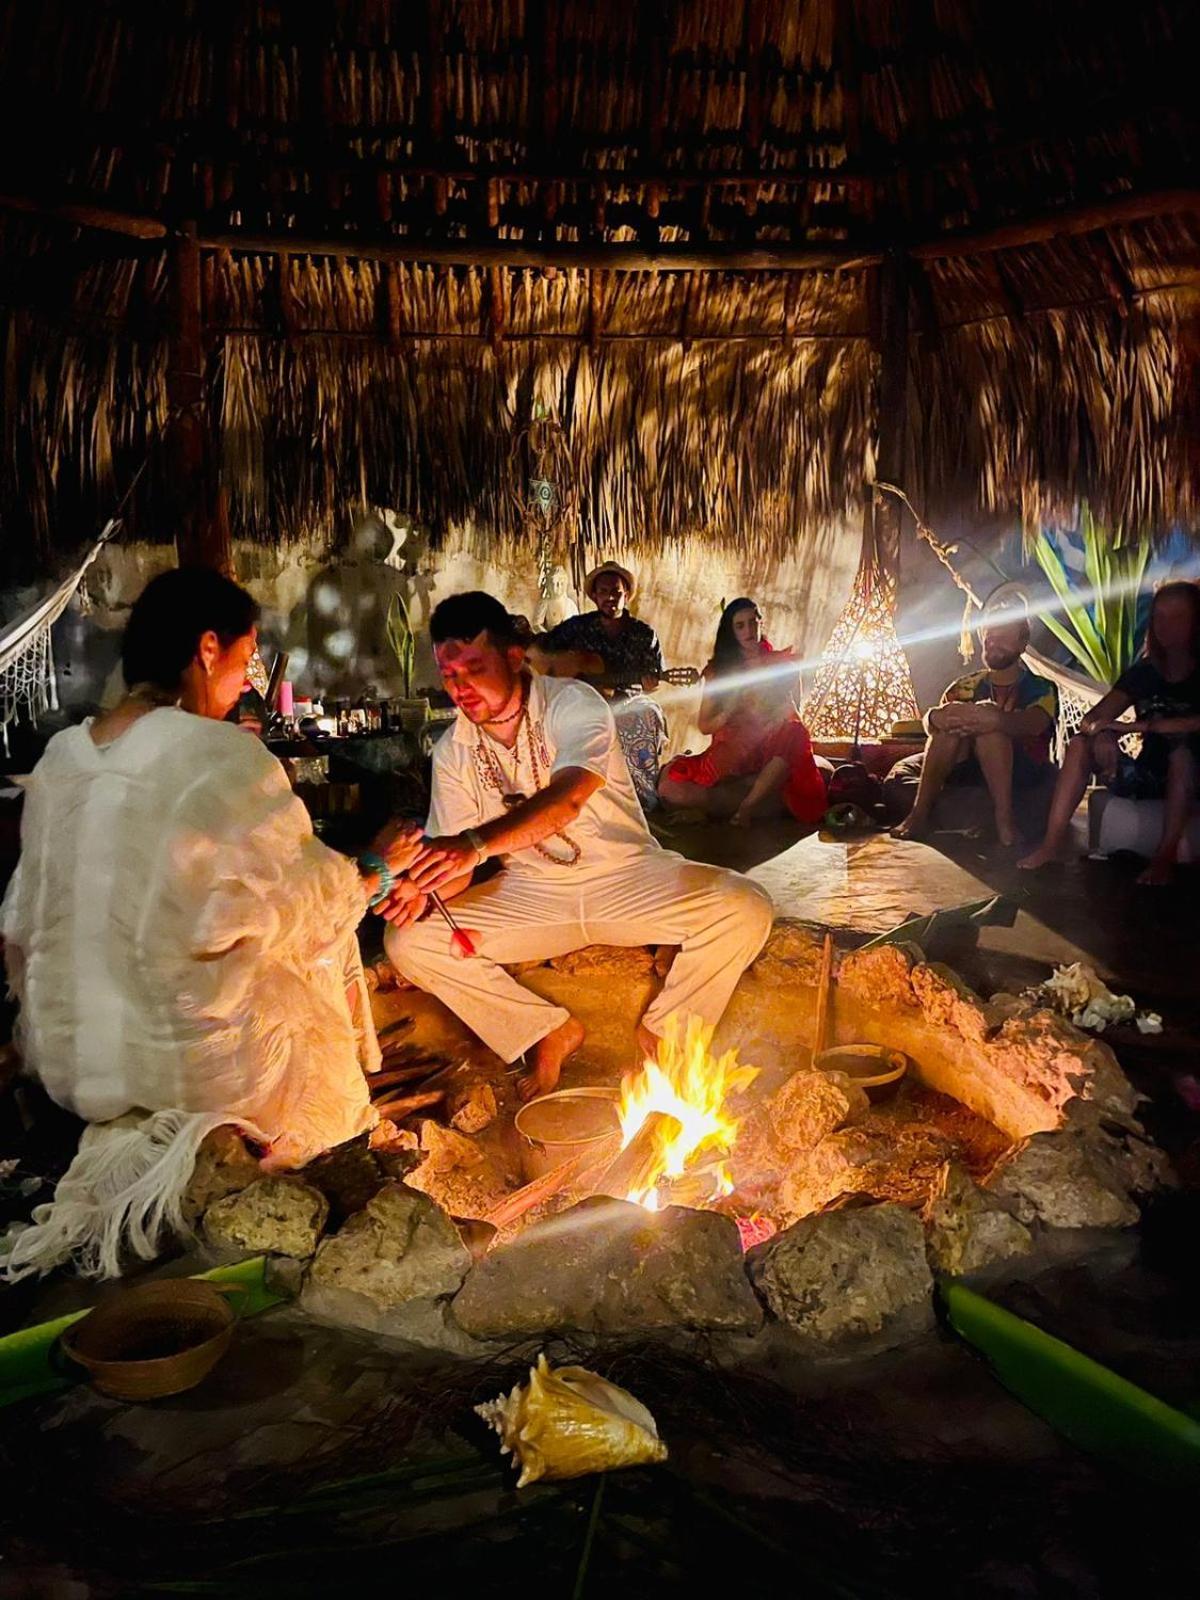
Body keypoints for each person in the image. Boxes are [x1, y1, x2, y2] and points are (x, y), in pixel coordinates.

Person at [0, 568, 421, 1280]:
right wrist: (375, 869)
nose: (243, 679)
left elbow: (20, 923)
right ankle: (318, 1145)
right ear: (207, 648)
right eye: (244, 656)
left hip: (70, 1062)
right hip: (196, 1073)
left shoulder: (63, 759)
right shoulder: (221, 755)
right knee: (327, 943)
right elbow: (308, 902)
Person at [380, 592, 774, 1100]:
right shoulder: (453, 749)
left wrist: (475, 845)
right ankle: (543, 1031)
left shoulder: (572, 703)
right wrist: (422, 889)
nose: (460, 688)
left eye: (474, 668)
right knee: (409, 941)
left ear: (513, 658)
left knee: (745, 908)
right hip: (533, 893)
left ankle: (666, 1030)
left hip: (626, 878)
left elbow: (568, 799)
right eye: (449, 675)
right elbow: (458, 868)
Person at [1019, 580, 1200, 885]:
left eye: (1178, 617)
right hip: (1151, 773)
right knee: (1079, 744)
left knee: (1182, 755)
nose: (1166, 626)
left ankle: (1164, 858)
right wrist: (1102, 734)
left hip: (1193, 773)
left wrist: (1141, 726)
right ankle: (1051, 844)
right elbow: (1092, 718)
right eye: (1159, 617)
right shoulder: (1146, 671)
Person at [531, 561, 695, 811]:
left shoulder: (644, 634)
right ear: (594, 596)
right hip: (581, 703)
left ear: (626, 595)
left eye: (617, 592)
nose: (611, 597)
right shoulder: (578, 627)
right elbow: (541, 649)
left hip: (628, 703)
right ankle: (572, 797)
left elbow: (654, 684)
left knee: (646, 714)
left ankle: (642, 804)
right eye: (604, 592)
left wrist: (652, 684)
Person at [891, 610, 1058, 848]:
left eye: (1003, 635)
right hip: (967, 768)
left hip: (1021, 769)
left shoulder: (1040, 687)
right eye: (989, 635)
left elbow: (1034, 723)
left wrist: (993, 719)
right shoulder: (965, 685)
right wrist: (935, 717)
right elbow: (931, 727)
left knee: (991, 730)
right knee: (947, 729)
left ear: (1022, 644)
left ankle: (1004, 819)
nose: (993, 641)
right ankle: (918, 814)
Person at [657, 598, 827, 828]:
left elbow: (794, 714)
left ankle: (747, 807)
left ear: (761, 623)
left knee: (796, 733)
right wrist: (729, 708)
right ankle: (750, 797)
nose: (748, 630)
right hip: (731, 753)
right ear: (731, 631)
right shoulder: (720, 671)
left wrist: (779, 714)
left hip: (768, 748)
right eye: (740, 626)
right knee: (671, 789)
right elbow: (705, 725)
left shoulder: (783, 665)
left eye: (752, 623)